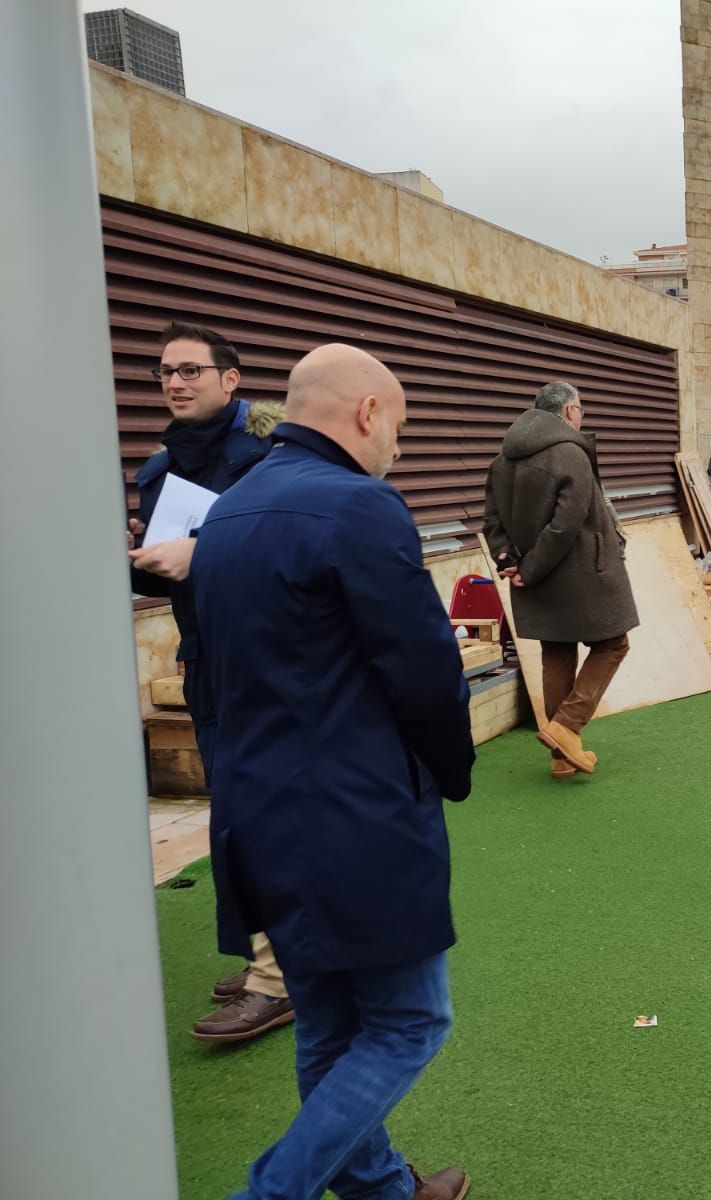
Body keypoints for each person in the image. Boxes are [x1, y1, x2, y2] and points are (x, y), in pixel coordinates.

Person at [189, 344, 475, 1200]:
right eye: (399, 427)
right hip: (352, 813)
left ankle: (382, 1189)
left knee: (327, 1023)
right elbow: (423, 670)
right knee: (410, 1023)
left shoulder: (227, 513)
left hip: (255, 808)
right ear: (367, 413)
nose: (398, 447)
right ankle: (270, 1192)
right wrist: (451, 768)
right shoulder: (361, 507)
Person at [127, 320, 294, 1044]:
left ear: (231, 379)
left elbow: (299, 551)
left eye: (191, 370)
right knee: (231, 813)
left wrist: (205, 555)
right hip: (207, 660)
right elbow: (162, 570)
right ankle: (272, 953)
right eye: (165, 371)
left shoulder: (272, 454)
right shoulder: (160, 470)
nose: (175, 382)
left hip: (275, 660)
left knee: (265, 815)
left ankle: (280, 976)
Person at [483, 380, 639, 778]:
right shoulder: (570, 452)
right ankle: (566, 727)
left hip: (536, 576)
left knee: (557, 651)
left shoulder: (502, 460)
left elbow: (492, 522)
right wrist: (532, 566)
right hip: (581, 572)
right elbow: (567, 523)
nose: (581, 416)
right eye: (581, 409)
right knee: (613, 644)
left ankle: (560, 757)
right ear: (569, 411)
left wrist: (510, 563)